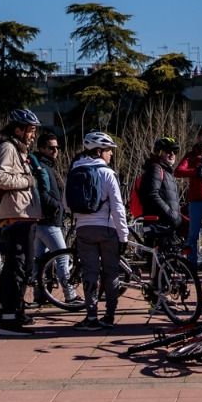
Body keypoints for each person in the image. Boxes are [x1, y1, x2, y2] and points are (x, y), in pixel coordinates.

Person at [0, 109, 43, 335]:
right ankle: (8, 320)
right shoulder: (8, 148)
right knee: (17, 267)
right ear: (18, 130)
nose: (33, 135)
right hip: (15, 215)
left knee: (19, 266)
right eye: (30, 130)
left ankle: (10, 312)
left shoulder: (16, 149)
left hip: (22, 214)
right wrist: (27, 181)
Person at [69, 130, 129, 328]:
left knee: (90, 273)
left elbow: (66, 203)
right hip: (107, 228)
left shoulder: (74, 171)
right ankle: (109, 316)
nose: (111, 153)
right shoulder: (108, 173)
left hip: (83, 229)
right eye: (108, 150)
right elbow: (118, 207)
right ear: (98, 151)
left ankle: (91, 317)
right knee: (111, 272)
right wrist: (123, 236)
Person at [31, 132, 77, 307]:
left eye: (57, 147)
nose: (55, 151)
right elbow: (43, 194)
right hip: (49, 221)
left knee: (40, 260)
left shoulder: (44, 166)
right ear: (41, 148)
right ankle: (70, 295)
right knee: (62, 257)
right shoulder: (42, 168)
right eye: (51, 148)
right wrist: (58, 206)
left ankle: (39, 295)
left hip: (40, 221)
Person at [176, 126, 202, 268]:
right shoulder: (191, 155)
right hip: (196, 201)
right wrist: (195, 171)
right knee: (193, 235)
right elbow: (178, 171)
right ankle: (191, 267)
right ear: (199, 137)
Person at [138, 137, 185, 233]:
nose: (172, 154)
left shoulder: (166, 172)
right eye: (168, 150)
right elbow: (151, 195)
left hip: (167, 225)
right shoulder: (155, 169)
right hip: (158, 226)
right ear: (159, 152)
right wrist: (171, 214)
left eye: (175, 151)